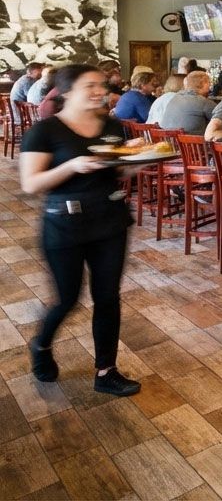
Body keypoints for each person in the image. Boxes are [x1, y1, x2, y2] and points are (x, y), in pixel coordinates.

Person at [19, 64, 141, 397]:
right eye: (91, 85)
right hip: (65, 225)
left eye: (102, 85)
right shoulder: (45, 132)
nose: (100, 90)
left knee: (107, 297)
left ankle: (106, 371)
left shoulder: (112, 124)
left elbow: (119, 172)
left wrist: (138, 162)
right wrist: (73, 165)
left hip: (111, 221)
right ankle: (41, 346)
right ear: (67, 91)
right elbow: (31, 184)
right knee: (67, 299)